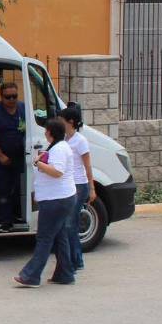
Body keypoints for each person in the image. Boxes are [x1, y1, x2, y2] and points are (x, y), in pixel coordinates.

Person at [15, 118, 76, 287]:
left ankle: (31, 275)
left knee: (45, 237)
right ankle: (65, 273)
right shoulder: (58, 147)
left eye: (46, 130)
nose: (44, 133)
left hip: (56, 200)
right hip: (57, 198)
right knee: (59, 236)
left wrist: (38, 163)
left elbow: (57, 172)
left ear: (51, 132)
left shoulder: (60, 149)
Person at [0, 81, 26, 232]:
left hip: (20, 157)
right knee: (4, 189)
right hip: (0, 157)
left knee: (18, 188)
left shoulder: (22, 108)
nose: (12, 100)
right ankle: (6, 222)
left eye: (14, 96)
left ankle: (17, 216)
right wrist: (0, 156)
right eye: (8, 97)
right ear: (1, 97)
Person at [59, 106, 93, 271]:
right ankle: (75, 259)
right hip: (70, 186)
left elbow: (88, 166)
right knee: (68, 224)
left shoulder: (80, 141)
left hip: (79, 185)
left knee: (70, 224)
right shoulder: (65, 140)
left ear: (71, 122)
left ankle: (76, 260)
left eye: (62, 120)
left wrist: (91, 188)